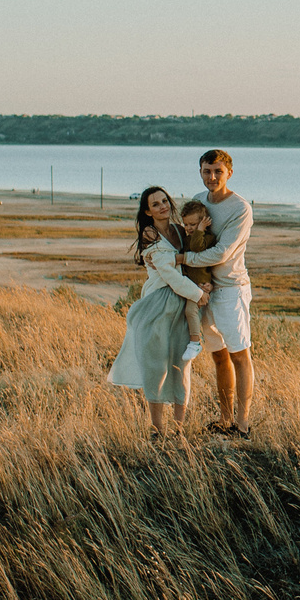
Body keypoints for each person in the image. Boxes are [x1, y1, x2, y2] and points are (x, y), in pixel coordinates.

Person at [106, 185, 205, 434]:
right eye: (155, 204)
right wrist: (199, 294)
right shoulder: (150, 235)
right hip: (158, 305)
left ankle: (179, 429)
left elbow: (194, 254)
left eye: (164, 201)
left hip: (182, 304)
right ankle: (157, 428)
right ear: (148, 212)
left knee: (181, 366)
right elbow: (170, 275)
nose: (162, 207)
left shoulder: (180, 230)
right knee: (156, 366)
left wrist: (204, 282)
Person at [179, 147, 254, 437]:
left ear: (229, 173)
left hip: (231, 289)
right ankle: (225, 421)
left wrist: (183, 260)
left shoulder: (240, 208)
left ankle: (243, 425)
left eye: (218, 171)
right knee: (218, 357)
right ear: (200, 172)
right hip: (202, 290)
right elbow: (189, 237)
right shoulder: (198, 201)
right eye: (207, 171)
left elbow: (222, 252)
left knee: (240, 355)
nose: (212, 177)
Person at [173, 198, 220, 364]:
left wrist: (200, 230)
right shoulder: (187, 238)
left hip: (200, 287)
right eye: (186, 224)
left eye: (193, 224)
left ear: (204, 222)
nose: (189, 228)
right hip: (188, 285)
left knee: (190, 311)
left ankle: (195, 342)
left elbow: (196, 248)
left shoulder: (208, 238)